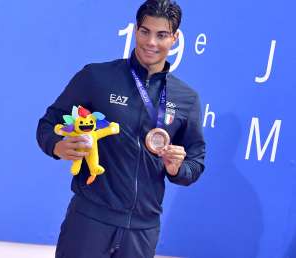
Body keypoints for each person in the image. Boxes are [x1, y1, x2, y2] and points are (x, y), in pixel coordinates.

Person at [36, 0, 206, 257]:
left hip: (142, 231)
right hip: (89, 220)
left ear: (175, 38)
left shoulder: (186, 98)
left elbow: (195, 161)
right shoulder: (97, 77)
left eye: (161, 35)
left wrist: (178, 168)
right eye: (145, 32)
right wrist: (57, 146)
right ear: (135, 30)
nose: (151, 42)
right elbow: (48, 124)